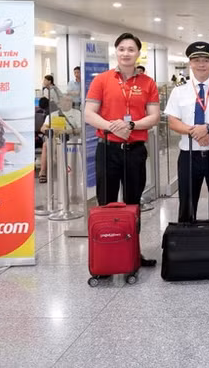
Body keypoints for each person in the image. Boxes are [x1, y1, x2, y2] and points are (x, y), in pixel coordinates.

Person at [84, 32, 160, 268]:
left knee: (133, 202)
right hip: (108, 150)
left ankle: (132, 253)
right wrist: (114, 127)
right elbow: (89, 114)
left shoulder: (148, 83)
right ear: (115, 52)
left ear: (138, 53)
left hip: (135, 150)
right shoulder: (102, 80)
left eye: (131, 49)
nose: (126, 53)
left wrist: (131, 125)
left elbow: (154, 116)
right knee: (105, 201)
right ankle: (106, 255)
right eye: (122, 49)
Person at [164, 42, 209, 222]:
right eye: (196, 60)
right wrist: (197, 132)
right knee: (187, 204)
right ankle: (186, 245)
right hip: (188, 156)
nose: (201, 64)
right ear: (190, 63)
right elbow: (172, 121)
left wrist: (208, 128)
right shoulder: (179, 91)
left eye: (206, 60)